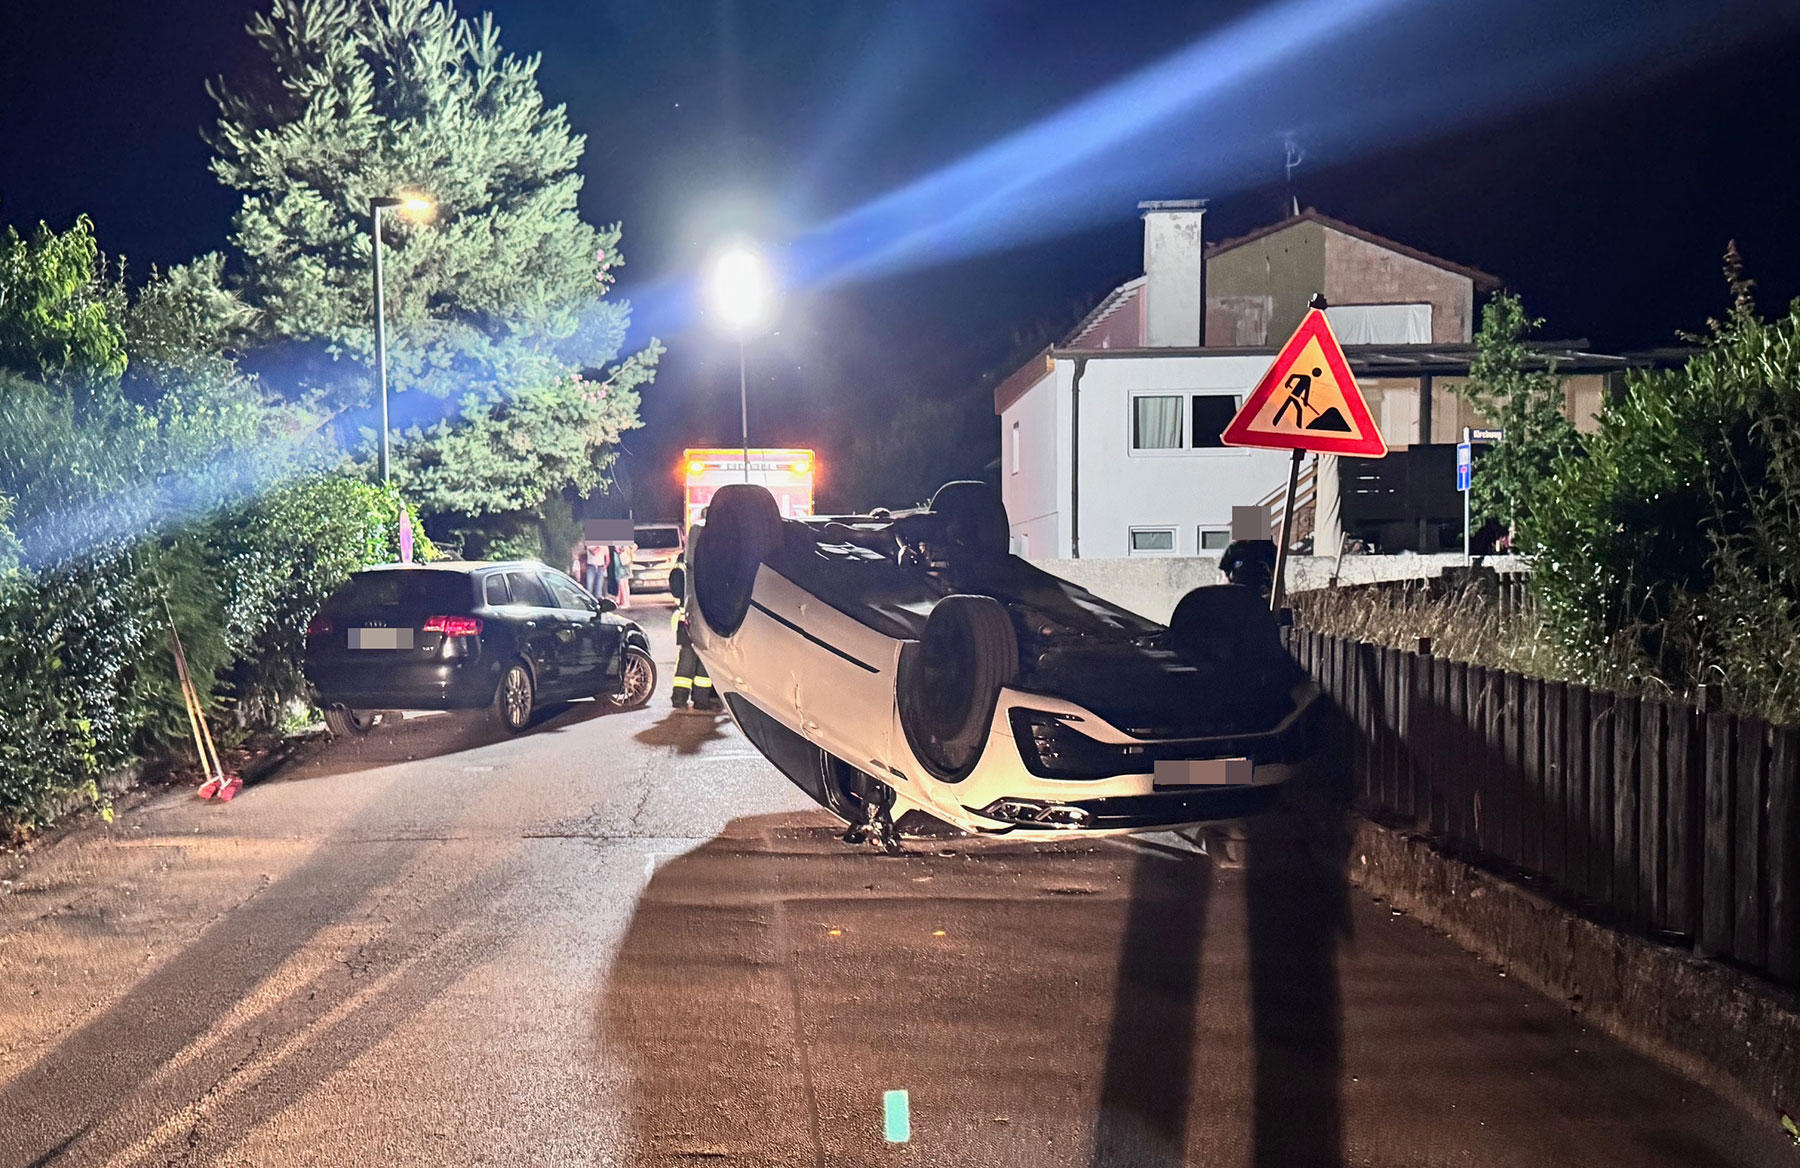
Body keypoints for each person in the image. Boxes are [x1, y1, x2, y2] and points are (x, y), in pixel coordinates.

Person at [667, 566, 718, 712]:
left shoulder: (685, 566)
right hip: (699, 621)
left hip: (690, 621)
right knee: (697, 660)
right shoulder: (705, 567)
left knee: (689, 661)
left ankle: (681, 698)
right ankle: (698, 700)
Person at [608, 542, 632, 609]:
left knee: (622, 583)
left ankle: (625, 602)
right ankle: (622, 601)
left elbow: (618, 549)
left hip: (622, 563)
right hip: (624, 562)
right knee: (623, 583)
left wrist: (622, 549)